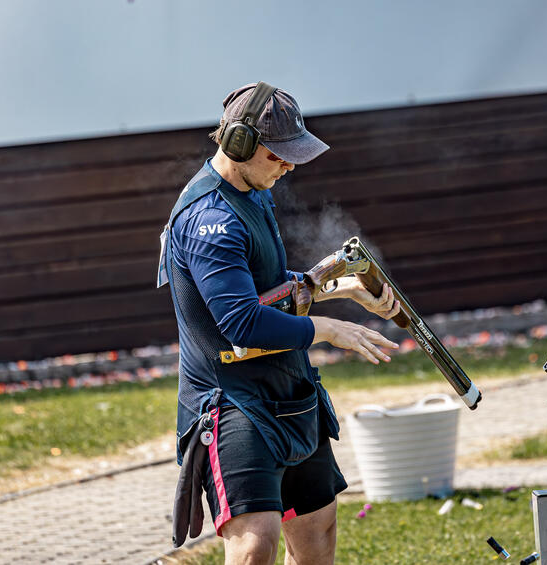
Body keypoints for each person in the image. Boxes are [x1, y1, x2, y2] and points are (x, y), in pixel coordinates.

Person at [157, 82, 401, 565]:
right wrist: (328, 329)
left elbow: (264, 287)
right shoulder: (210, 220)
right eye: (279, 155)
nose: (289, 166)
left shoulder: (251, 191)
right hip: (231, 400)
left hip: (286, 387)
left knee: (316, 531)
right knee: (255, 545)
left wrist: (338, 288)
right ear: (239, 143)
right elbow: (242, 322)